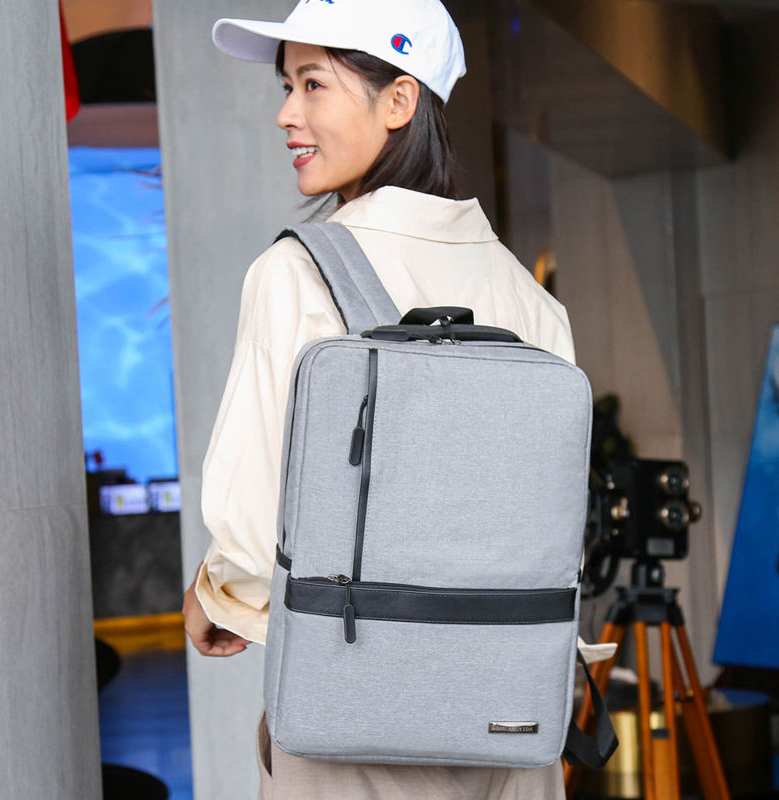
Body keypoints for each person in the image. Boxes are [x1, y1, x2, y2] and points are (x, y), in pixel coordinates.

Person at [182, 1, 588, 797]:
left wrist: (216, 596)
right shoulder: (529, 298)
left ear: (399, 100)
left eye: (313, 84)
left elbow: (255, 523)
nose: (286, 113)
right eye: (287, 86)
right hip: (513, 726)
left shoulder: (296, 274)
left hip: (356, 724)